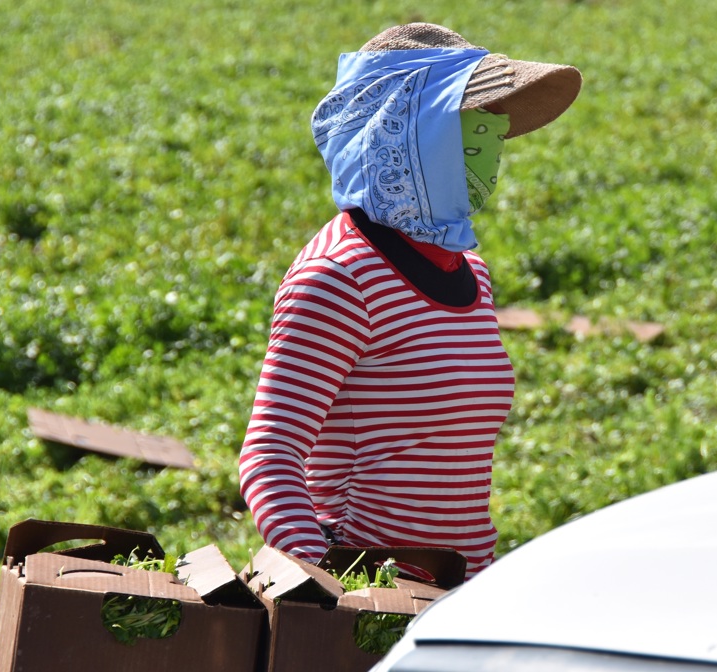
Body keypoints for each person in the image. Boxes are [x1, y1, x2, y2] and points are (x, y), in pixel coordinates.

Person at [238, 23, 582, 581]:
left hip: (453, 595)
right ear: (405, 136)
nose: (491, 158)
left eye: (496, 136)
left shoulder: (469, 268)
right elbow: (269, 460)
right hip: (369, 602)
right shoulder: (339, 278)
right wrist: (335, 593)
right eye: (470, 135)